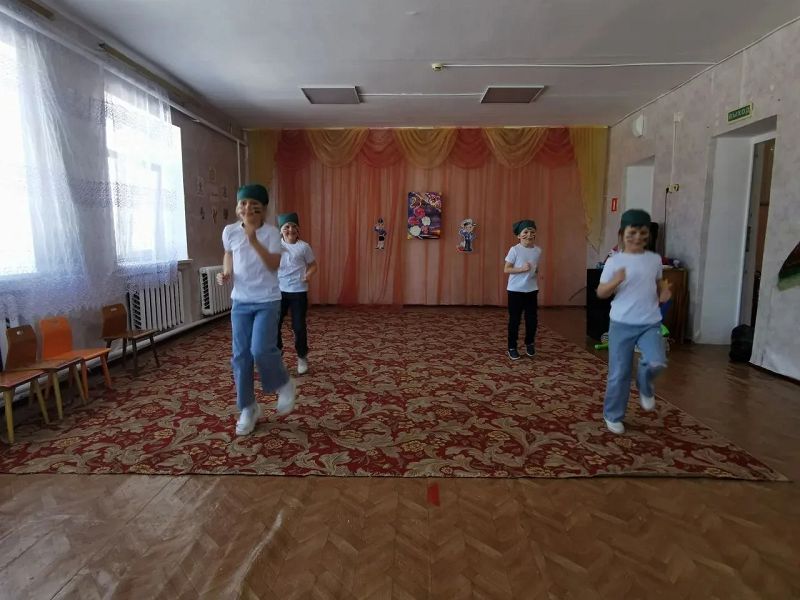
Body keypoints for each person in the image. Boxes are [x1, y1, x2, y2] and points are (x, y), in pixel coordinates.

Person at [217, 184, 296, 436]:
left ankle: (283, 383)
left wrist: (253, 240)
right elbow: (228, 254)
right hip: (240, 302)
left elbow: (273, 264)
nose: (248, 208)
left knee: (261, 349)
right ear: (237, 206)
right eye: (243, 203)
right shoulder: (229, 231)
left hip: (267, 300)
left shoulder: (272, 233)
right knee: (240, 356)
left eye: (254, 205)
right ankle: (248, 407)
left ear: (263, 210)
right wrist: (226, 272)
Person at [596, 209, 672, 434]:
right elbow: (601, 292)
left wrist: (663, 293)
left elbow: (657, 285)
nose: (637, 237)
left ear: (648, 235)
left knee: (657, 361)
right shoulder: (614, 261)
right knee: (619, 372)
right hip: (621, 323)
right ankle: (613, 415)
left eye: (642, 233)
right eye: (632, 233)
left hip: (650, 322)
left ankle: (645, 384)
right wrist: (615, 281)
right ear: (623, 233)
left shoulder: (654, 260)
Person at [277, 212, 317, 375]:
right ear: (281, 230)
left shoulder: (304, 247)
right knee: (274, 325)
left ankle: (302, 356)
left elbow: (313, 265)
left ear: (298, 230)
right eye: (286, 227)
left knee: (299, 326)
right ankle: (277, 355)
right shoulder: (275, 247)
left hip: (298, 291)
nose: (290, 230)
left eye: (294, 226)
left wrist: (308, 275)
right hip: (278, 292)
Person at [503, 219, 542, 360]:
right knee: (515, 320)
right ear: (519, 235)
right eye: (525, 232)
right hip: (515, 291)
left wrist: (535, 271)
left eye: (532, 231)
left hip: (531, 290)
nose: (529, 234)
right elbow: (506, 269)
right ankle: (512, 347)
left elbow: (535, 267)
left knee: (532, 320)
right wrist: (522, 269)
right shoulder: (514, 250)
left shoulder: (538, 250)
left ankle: (529, 343)